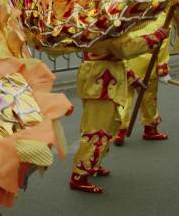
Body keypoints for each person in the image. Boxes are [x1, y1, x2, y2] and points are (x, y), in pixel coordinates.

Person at [70, 26, 169, 193]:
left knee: (108, 126)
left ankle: (93, 163)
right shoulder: (101, 23)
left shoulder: (107, 23)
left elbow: (115, 56)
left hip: (105, 80)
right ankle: (79, 175)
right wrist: (154, 37)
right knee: (97, 129)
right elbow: (124, 49)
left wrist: (132, 77)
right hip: (100, 84)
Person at [114, 19, 171, 145]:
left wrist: (162, 65)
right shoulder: (128, 12)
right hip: (129, 61)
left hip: (145, 64)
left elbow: (164, 42)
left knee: (146, 98)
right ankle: (121, 130)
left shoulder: (161, 16)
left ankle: (147, 128)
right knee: (126, 98)